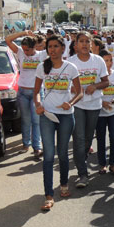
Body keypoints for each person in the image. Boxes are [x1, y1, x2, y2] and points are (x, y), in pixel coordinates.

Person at [33, 35, 82, 211]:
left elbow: (79, 92)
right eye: (49, 47)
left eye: (55, 46)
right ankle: (48, 194)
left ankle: (63, 185)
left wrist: (71, 102)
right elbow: (36, 91)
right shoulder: (42, 67)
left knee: (62, 153)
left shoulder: (71, 68)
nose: (52, 49)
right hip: (47, 115)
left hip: (66, 116)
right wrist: (38, 104)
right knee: (48, 155)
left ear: (63, 48)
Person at [68, 31, 109, 188]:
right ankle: (82, 174)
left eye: (87, 41)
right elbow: (65, 84)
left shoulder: (98, 61)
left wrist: (95, 86)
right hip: (77, 104)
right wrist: (73, 88)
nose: (85, 44)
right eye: (82, 41)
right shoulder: (70, 63)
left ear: (92, 44)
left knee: (87, 137)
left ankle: (81, 158)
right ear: (76, 45)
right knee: (78, 138)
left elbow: (106, 82)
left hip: (94, 104)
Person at [6, 30, 44, 157]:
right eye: (24, 49)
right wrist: (22, 33)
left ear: (34, 47)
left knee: (36, 120)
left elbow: (54, 43)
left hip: (36, 92)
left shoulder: (41, 55)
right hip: (22, 91)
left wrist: (39, 37)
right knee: (26, 120)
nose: (26, 52)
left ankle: (37, 147)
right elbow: (8, 40)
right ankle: (25, 145)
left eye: (28, 49)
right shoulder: (20, 52)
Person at [96, 50, 114, 175]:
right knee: (101, 138)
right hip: (100, 112)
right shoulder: (97, 76)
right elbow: (93, 92)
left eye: (110, 60)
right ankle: (102, 164)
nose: (109, 63)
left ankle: (113, 164)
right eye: (106, 60)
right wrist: (102, 103)